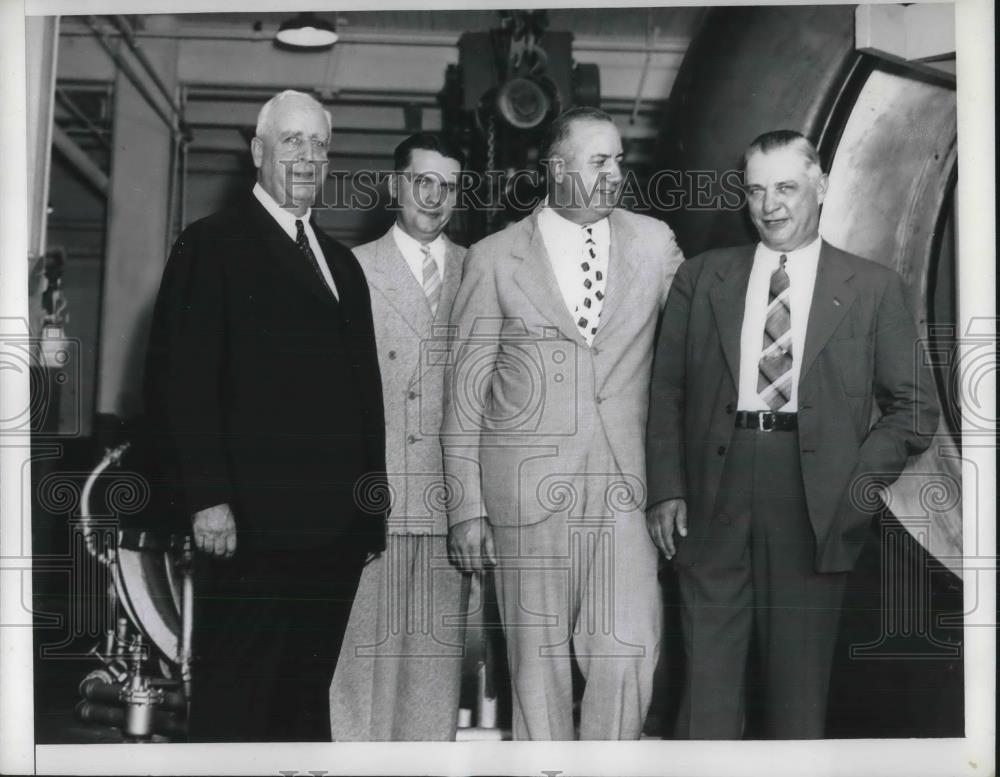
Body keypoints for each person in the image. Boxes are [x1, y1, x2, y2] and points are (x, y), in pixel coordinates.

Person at [645, 129, 940, 739]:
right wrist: (667, 488)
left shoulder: (873, 287)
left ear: (821, 186)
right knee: (705, 694)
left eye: (785, 187)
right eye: (756, 190)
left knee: (797, 698)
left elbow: (914, 408)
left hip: (815, 502)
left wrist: (855, 487)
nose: (770, 205)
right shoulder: (701, 280)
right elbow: (666, 392)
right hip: (711, 496)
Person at [144, 90, 387, 742]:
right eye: (291, 141)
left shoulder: (341, 264)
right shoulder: (212, 244)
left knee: (305, 701)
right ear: (258, 152)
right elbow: (179, 381)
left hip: (334, 534)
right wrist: (207, 498)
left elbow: (366, 393)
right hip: (249, 529)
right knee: (237, 702)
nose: (307, 156)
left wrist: (371, 508)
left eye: (318, 144)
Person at [441, 106, 685, 740]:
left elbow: (691, 355)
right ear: (556, 167)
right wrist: (467, 507)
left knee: (628, 650)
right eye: (598, 159)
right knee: (535, 668)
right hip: (525, 493)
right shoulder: (494, 258)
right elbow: (465, 394)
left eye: (619, 160)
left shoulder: (655, 243)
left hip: (624, 488)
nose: (615, 172)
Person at [329, 133, 470, 741]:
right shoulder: (352, 270)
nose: (435, 198)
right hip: (374, 505)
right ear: (396, 186)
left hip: (449, 512)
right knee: (361, 679)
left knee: (433, 684)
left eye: (449, 186)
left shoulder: (481, 268)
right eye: (423, 182)